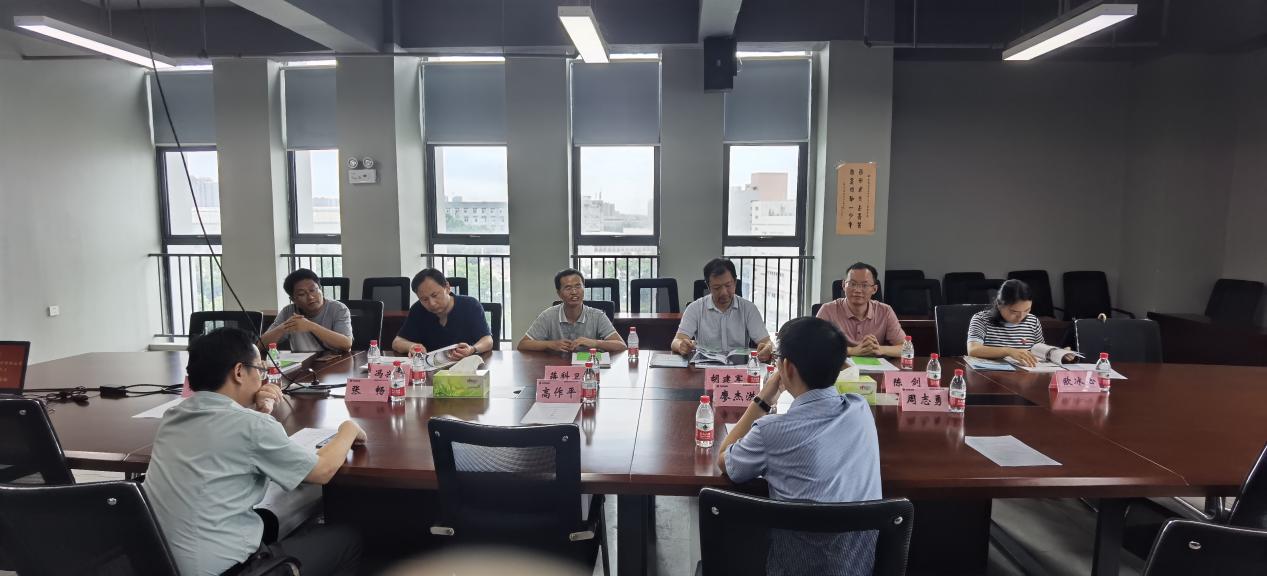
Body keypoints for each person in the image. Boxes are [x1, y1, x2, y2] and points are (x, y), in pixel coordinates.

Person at [144, 327, 365, 576]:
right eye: (260, 369)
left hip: (161, 563)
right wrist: (348, 428)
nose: (262, 378)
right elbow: (321, 471)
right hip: (226, 570)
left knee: (268, 519)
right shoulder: (251, 426)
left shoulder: (173, 415)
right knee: (347, 538)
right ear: (239, 372)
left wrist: (260, 412)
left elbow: (228, 438)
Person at [717, 317, 882, 576]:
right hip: (858, 567)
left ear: (787, 367)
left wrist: (763, 398)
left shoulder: (771, 431)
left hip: (792, 567)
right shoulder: (860, 409)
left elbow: (724, 460)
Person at [672, 258, 773, 361]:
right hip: (705, 367)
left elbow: (767, 342)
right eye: (717, 288)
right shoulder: (695, 308)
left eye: (728, 285)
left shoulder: (748, 309)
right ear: (708, 286)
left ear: (735, 282)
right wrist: (681, 346)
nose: (724, 292)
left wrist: (767, 348)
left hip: (738, 367)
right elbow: (676, 341)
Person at [517, 268, 627, 353]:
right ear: (559, 293)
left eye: (578, 286)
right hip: (558, 368)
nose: (574, 292)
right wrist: (550, 344)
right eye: (568, 288)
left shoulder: (598, 316)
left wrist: (595, 343)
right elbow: (523, 344)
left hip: (588, 369)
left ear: (584, 288)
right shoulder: (548, 316)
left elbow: (621, 345)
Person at [966, 278, 1072, 367]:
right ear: (999, 304)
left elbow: (1039, 351)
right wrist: (1009, 351)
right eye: (1014, 311)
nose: (1021, 317)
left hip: (1025, 376)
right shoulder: (981, 319)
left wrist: (1058, 354)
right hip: (991, 376)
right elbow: (973, 350)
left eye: (1027, 310)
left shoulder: (1032, 321)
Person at [393, 268, 494, 357]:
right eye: (424, 299)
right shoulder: (417, 309)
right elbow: (397, 342)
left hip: (465, 366)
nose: (432, 303)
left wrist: (473, 349)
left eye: (435, 295)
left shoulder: (470, 305)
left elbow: (487, 340)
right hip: (431, 369)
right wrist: (411, 346)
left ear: (447, 287)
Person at [816, 262, 907, 357]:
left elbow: (906, 349)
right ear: (843, 285)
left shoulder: (885, 311)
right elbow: (814, 345)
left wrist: (879, 349)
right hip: (840, 365)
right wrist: (852, 351)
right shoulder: (828, 310)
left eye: (864, 285)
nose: (857, 290)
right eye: (852, 284)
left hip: (874, 365)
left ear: (874, 289)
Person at [261, 268, 353, 353]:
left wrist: (311, 326)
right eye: (302, 294)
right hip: (303, 363)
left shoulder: (338, 309)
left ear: (320, 289)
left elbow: (346, 344)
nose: (310, 297)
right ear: (293, 299)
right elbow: (261, 345)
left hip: (336, 362)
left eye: (313, 290)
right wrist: (284, 327)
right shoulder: (288, 312)